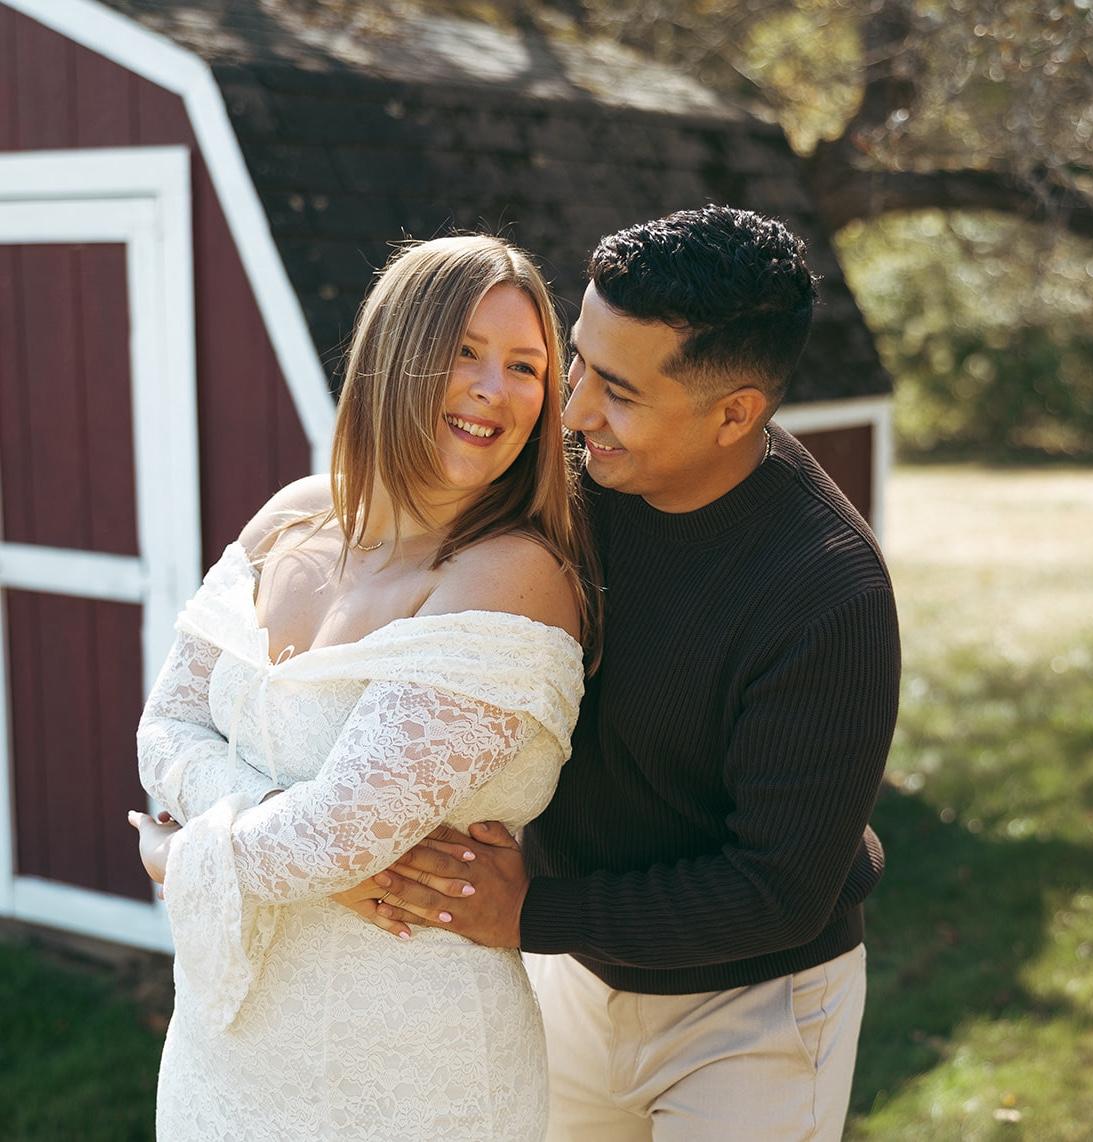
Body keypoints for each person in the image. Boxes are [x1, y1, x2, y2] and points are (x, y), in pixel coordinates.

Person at [352, 206, 901, 1141]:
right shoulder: (558, 483)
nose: (572, 412)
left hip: (753, 1012)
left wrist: (534, 909)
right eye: (577, 362)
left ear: (736, 414)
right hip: (568, 969)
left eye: (618, 392)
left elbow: (778, 890)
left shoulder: (828, 598)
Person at [127, 234, 601, 1141]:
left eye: (525, 368)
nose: (493, 390)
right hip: (223, 1049)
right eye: (464, 351)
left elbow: (335, 839)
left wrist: (175, 855)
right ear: (395, 353)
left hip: (407, 1072)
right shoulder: (293, 517)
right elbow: (166, 728)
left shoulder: (512, 576)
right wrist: (286, 837)